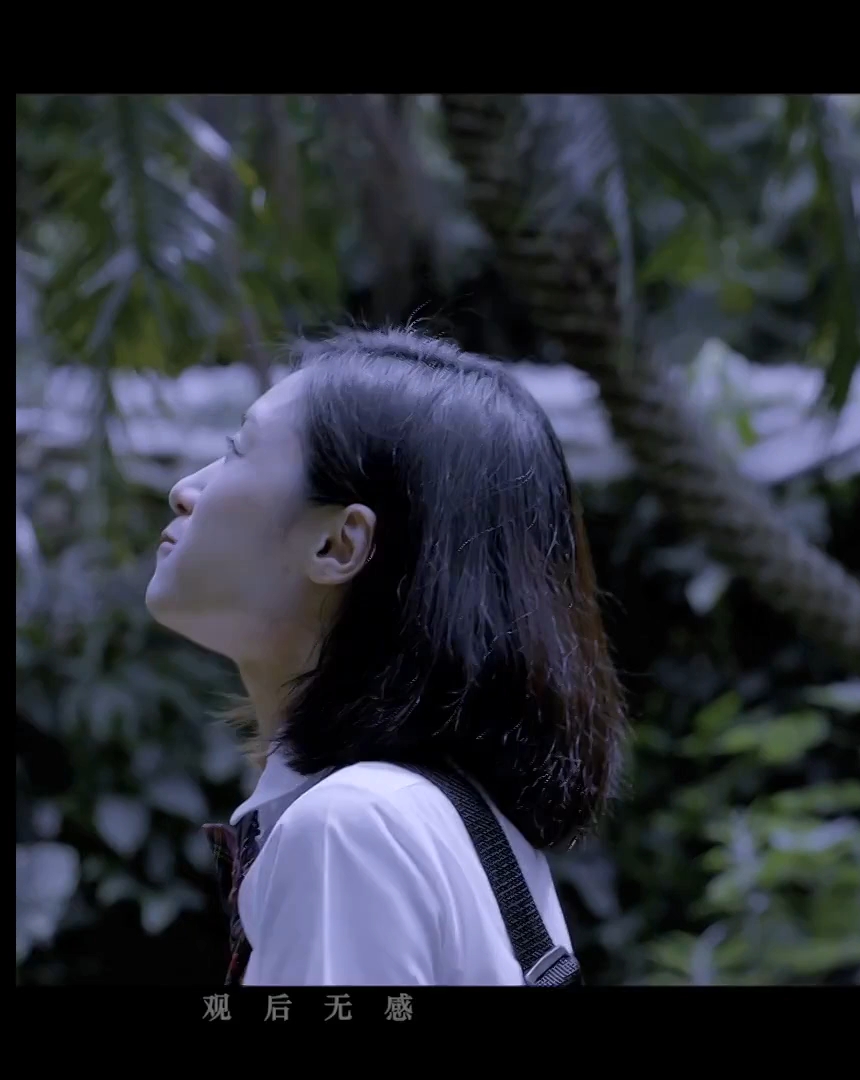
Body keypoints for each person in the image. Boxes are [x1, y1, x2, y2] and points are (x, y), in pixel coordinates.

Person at [145, 327, 627, 986]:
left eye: (237, 450)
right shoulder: (433, 817)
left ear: (339, 545)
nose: (185, 489)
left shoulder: (350, 829)